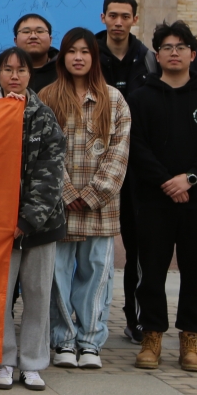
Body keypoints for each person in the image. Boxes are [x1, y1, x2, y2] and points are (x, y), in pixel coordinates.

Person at [128, 21, 197, 372]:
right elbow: (136, 147)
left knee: (196, 272)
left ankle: (190, 338)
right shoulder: (140, 98)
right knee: (151, 271)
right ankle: (151, 336)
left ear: (193, 55)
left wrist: (189, 179)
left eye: (181, 47)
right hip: (153, 201)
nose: (174, 53)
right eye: (167, 48)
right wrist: (166, 182)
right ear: (156, 55)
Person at [41, 28, 131, 371]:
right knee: (58, 277)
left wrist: (93, 193)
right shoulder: (48, 96)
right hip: (58, 208)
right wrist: (65, 192)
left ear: (95, 57)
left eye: (85, 51)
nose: (78, 57)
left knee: (96, 277)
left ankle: (90, 341)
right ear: (62, 56)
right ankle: (63, 340)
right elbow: (43, 151)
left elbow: (119, 153)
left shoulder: (114, 100)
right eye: (71, 51)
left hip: (100, 210)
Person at [0, 46, 67, 392]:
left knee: (37, 295)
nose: (14, 76)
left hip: (40, 225)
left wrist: (27, 220)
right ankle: (3, 360)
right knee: (0, 297)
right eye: (8, 69)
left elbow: (51, 175)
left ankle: (33, 363)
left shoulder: (43, 116)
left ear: (30, 76)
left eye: (21, 70)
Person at [97, 0, 156, 343]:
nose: (118, 22)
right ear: (102, 17)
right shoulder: (86, 54)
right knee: (84, 249)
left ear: (135, 19)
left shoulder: (148, 59)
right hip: (92, 165)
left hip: (137, 167)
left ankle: (137, 320)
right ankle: (77, 322)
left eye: (125, 16)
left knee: (139, 248)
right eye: (112, 15)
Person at [14, 14, 58, 91]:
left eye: (40, 31)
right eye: (26, 32)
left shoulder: (64, 69)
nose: (33, 36)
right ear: (16, 41)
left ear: (50, 40)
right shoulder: (2, 70)